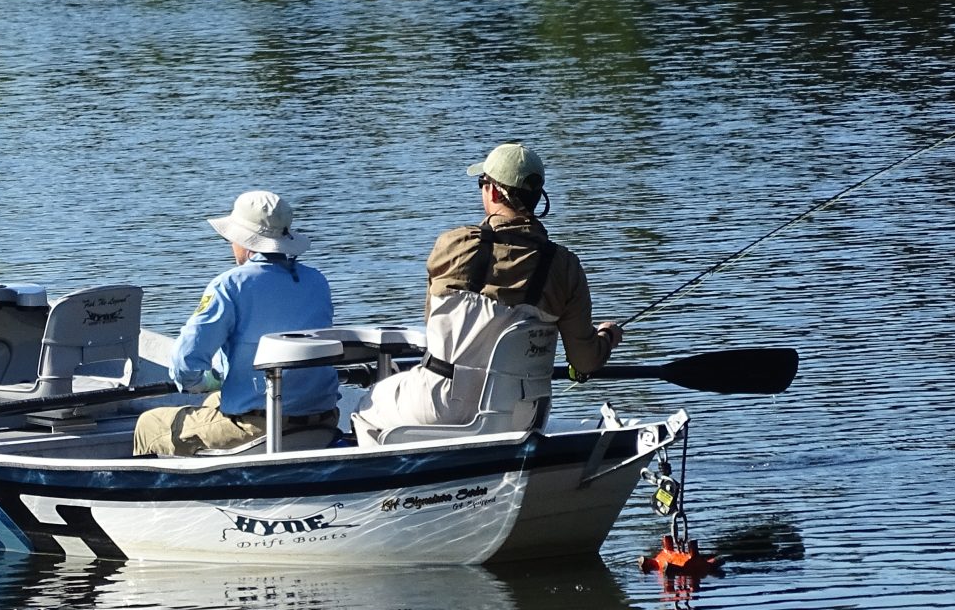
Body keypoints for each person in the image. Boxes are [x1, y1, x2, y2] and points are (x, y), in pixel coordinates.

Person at [354, 142, 621, 444]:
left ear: (493, 192)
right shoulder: (566, 267)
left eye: (482, 183)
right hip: (523, 416)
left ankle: (397, 488)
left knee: (365, 406)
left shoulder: (454, 246)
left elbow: (434, 323)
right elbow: (585, 361)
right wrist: (607, 338)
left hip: (440, 405)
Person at [133, 191, 339, 458]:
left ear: (244, 240)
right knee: (212, 402)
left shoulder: (229, 286)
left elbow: (185, 365)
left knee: (149, 425)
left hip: (262, 428)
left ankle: (162, 496)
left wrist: (201, 381)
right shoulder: (316, 281)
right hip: (323, 421)